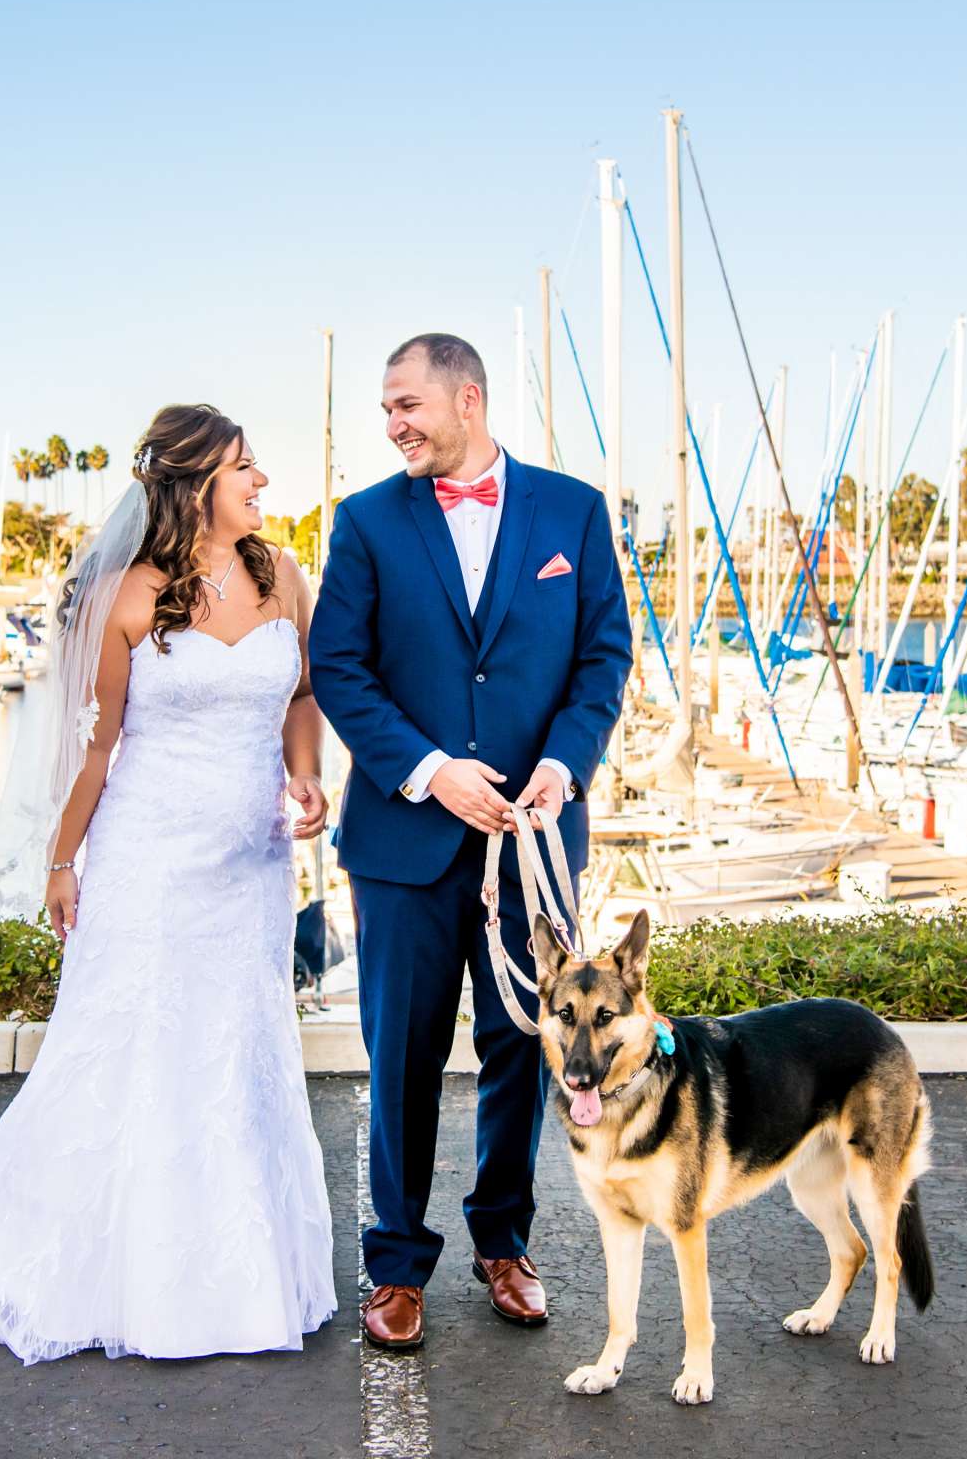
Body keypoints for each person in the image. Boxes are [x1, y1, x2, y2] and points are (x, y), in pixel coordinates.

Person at [0, 404, 338, 1363]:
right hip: (146, 858)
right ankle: (121, 1271)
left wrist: (308, 775)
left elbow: (301, 696)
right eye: (244, 468)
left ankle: (239, 1270)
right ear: (193, 485)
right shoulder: (129, 596)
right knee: (139, 1047)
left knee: (235, 1048)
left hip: (249, 867)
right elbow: (97, 747)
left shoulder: (284, 577)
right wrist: (64, 862)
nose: (262, 483)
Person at [309, 333, 634, 1350]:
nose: (394, 423)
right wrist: (429, 771)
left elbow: (603, 655)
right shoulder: (362, 524)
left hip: (536, 843)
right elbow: (340, 668)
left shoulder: (573, 511)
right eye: (386, 409)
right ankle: (395, 1265)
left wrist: (565, 764)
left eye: (408, 403)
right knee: (398, 1056)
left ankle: (505, 1243)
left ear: (469, 397)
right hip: (402, 844)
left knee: (522, 1052)